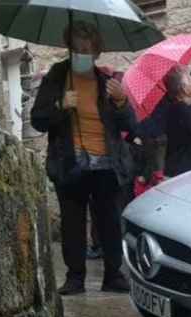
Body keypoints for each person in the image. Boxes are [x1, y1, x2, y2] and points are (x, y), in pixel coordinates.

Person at [31, 21, 134, 295]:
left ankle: (113, 275)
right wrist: (60, 106)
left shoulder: (107, 81)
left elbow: (130, 125)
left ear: (97, 51)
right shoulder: (56, 76)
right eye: (76, 48)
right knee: (72, 223)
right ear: (68, 48)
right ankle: (75, 277)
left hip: (106, 164)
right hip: (70, 163)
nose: (81, 53)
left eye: (87, 49)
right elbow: (38, 120)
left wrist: (122, 101)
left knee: (110, 222)